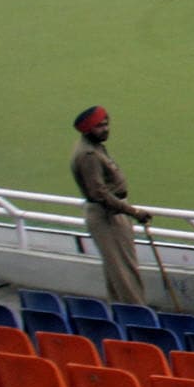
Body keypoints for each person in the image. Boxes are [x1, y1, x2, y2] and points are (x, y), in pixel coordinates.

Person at [69, 105, 150, 305]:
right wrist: (134, 212)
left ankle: (124, 314)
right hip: (108, 217)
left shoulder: (94, 147)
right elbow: (100, 194)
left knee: (117, 270)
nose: (105, 129)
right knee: (124, 273)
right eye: (99, 126)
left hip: (112, 214)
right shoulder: (89, 156)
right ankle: (138, 318)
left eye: (106, 124)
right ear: (88, 130)